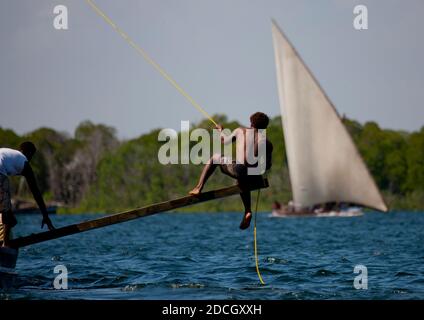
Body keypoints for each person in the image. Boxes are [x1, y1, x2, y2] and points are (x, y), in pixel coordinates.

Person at [189, 112, 273, 230]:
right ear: (265, 127)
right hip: (254, 174)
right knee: (242, 181)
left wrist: (220, 130)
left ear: (251, 123)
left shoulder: (240, 131)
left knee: (215, 157)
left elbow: (224, 141)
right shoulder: (267, 143)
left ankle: (198, 187)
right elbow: (268, 166)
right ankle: (247, 210)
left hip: (239, 169)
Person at [0, 142, 55, 247]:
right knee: (6, 213)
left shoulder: (11, 154)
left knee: (9, 217)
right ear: (28, 153)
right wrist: (45, 216)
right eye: (31, 156)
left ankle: (4, 239)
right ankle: (5, 245)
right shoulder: (24, 162)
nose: (30, 159)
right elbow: (36, 192)